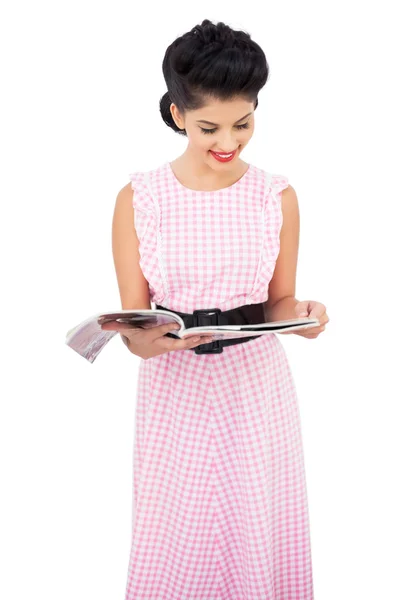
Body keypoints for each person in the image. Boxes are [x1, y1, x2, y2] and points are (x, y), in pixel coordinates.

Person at [102, 18, 329, 600]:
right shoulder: (139, 198)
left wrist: (302, 317)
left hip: (256, 384)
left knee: (256, 524)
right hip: (173, 387)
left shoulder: (276, 195)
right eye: (209, 126)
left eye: (244, 122)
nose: (228, 141)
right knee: (178, 529)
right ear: (178, 115)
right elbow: (135, 325)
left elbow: (280, 300)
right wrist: (150, 340)